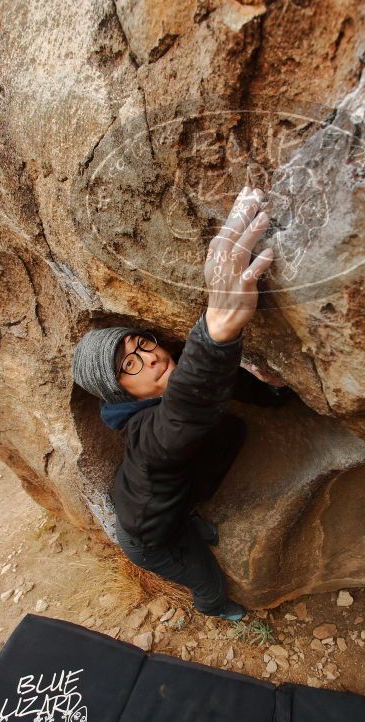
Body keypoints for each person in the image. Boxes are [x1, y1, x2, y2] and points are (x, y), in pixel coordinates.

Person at [72, 186, 292, 621]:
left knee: (229, 431)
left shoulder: (159, 393)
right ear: (121, 393)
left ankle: (186, 522)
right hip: (146, 540)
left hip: (146, 505)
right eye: (129, 365)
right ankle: (215, 609)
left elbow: (210, 392)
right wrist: (216, 330)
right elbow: (178, 420)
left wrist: (274, 393)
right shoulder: (147, 437)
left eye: (141, 344)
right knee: (202, 574)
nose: (151, 356)